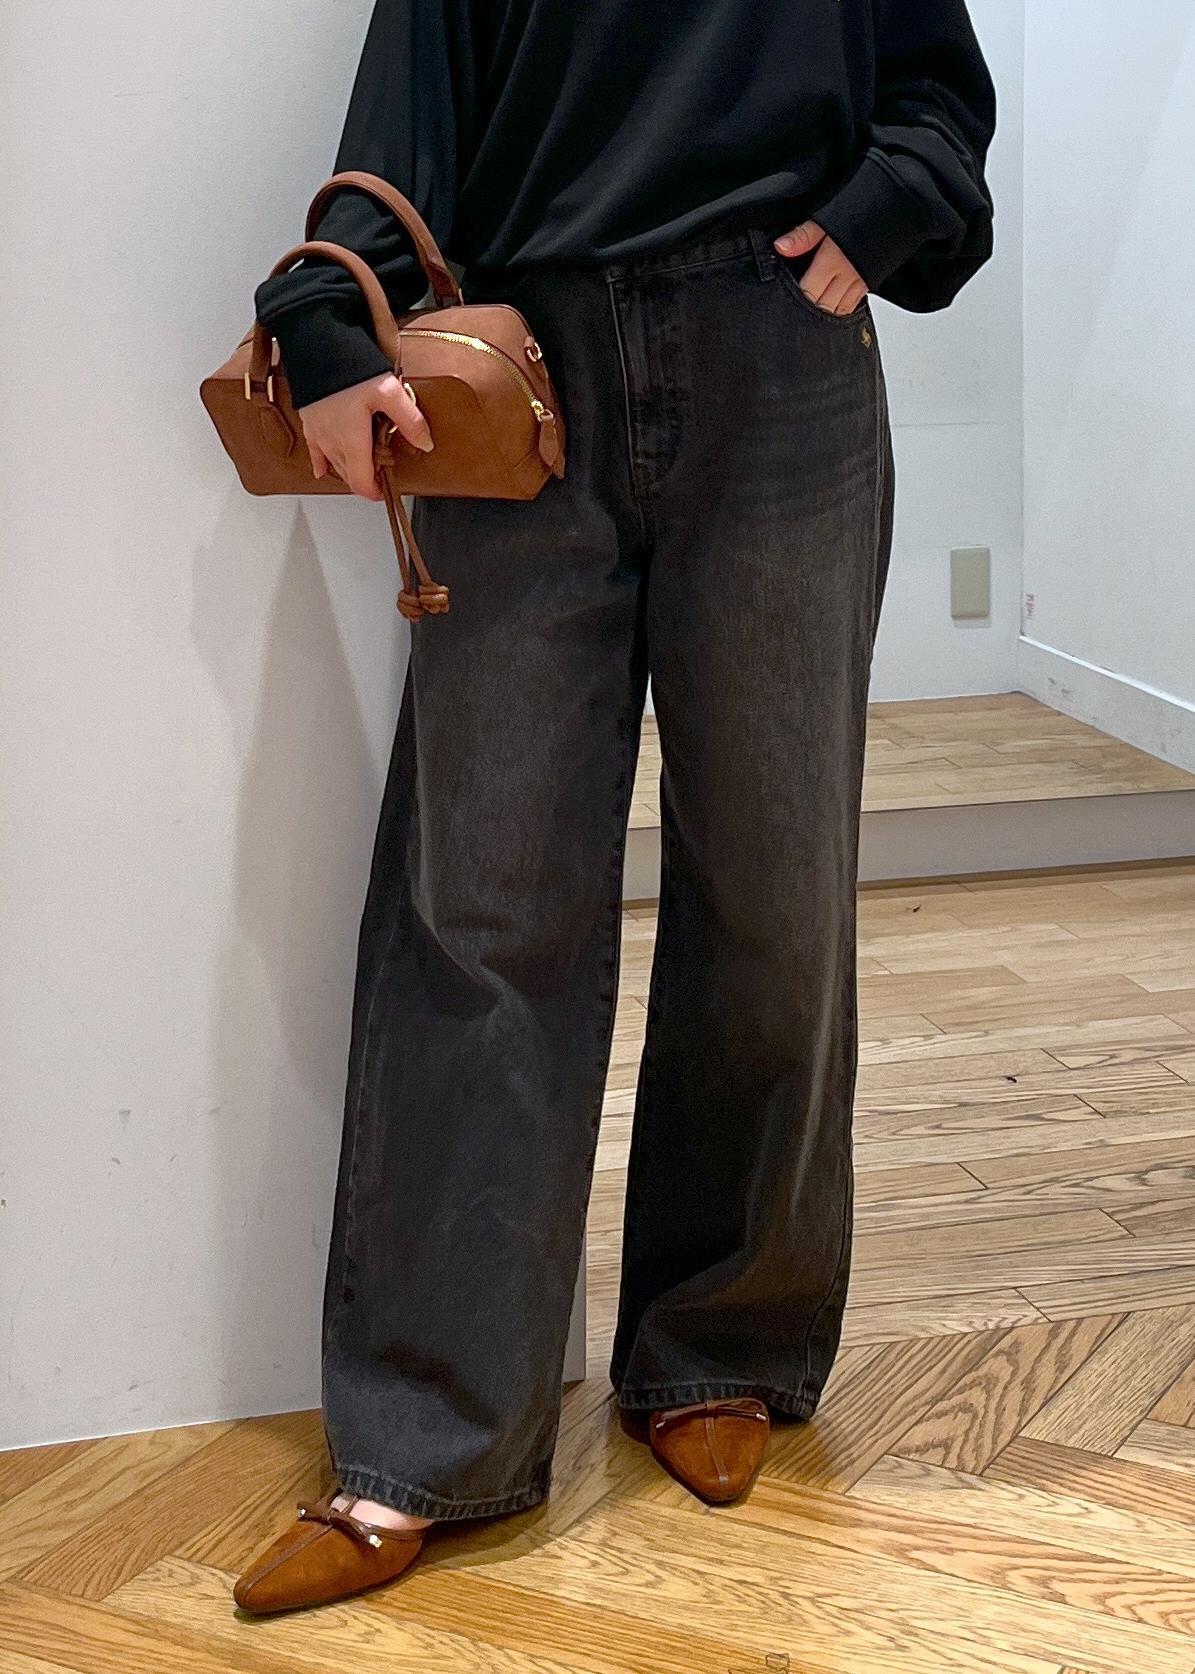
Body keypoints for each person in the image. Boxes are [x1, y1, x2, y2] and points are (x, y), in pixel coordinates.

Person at [233, 0, 996, 1616]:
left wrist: (885, 206)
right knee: (482, 903)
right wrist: (324, 310)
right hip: (515, 362)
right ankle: (425, 1429)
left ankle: (719, 1340)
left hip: (781, 362)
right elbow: (414, 98)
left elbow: (935, 89)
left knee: (776, 879)